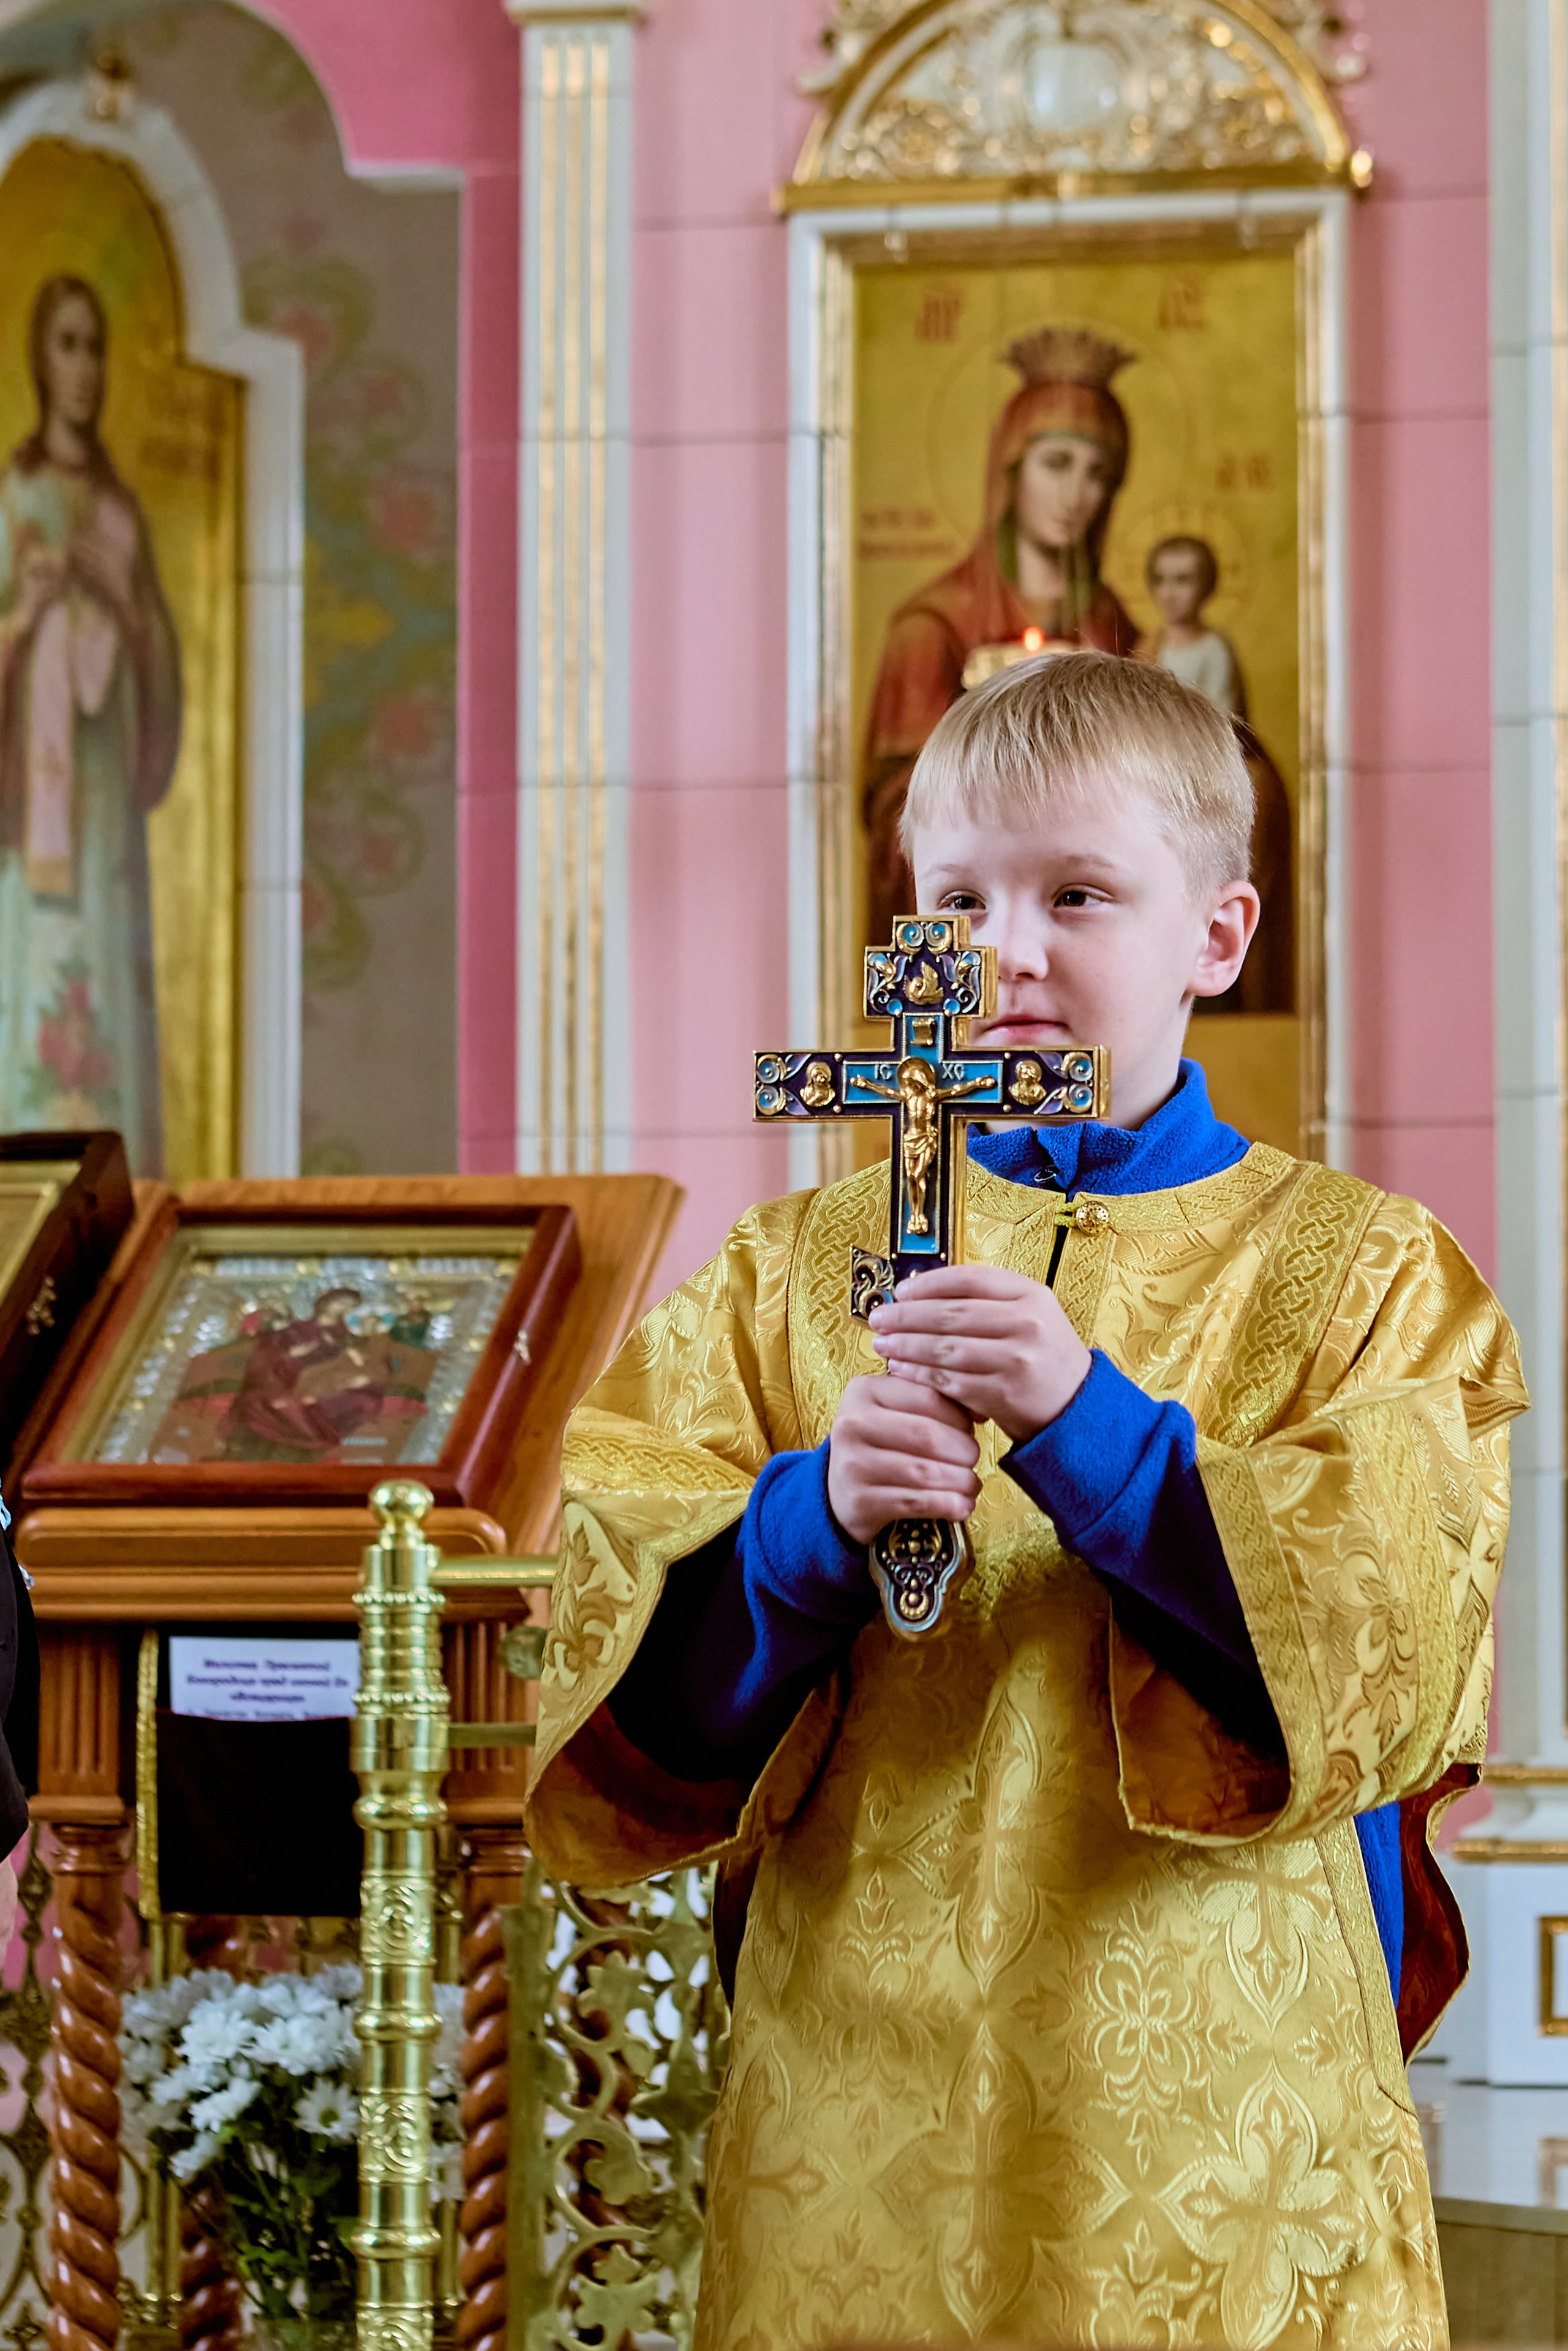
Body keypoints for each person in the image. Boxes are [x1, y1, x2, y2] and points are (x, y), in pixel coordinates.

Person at [528, 652, 1524, 2349]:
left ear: (1218, 934)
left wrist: (1094, 1434)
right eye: (959, 896)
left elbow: (1392, 1653)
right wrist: (805, 1523)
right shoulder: (790, 1273)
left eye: (1079, 892)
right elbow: (614, 1653)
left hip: (1216, 2104)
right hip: (858, 2079)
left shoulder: (1365, 1271)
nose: (1007, 950)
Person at [860, 326, 1138, 946]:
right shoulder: (930, 625)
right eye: (1057, 464)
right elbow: (894, 809)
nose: (1077, 496)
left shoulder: (1110, 619)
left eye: (1099, 473)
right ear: (1011, 471)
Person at [0, 276, 182, 1173]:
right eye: (66, 344)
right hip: (30, 809)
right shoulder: (15, 496)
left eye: (95, 346)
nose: (83, 368)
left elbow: (159, 664)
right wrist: (22, 618)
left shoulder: (119, 514)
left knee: (105, 972)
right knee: (32, 968)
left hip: (105, 812)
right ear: (40, 357)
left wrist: (123, 604)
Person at [1138, 532, 1295, 1015]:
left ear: (1205, 588)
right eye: (1162, 581)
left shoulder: (1213, 648)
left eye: (1184, 581)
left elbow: (1220, 717)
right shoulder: (1151, 645)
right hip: (1163, 771)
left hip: (1207, 769)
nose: (1172, 593)